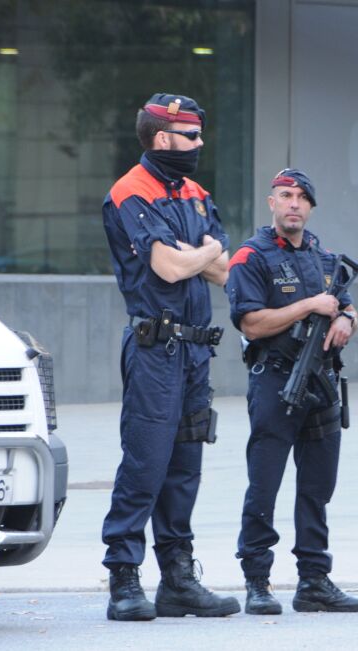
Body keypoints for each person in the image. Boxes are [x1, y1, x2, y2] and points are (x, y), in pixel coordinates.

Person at [100, 93, 239, 621]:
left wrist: (195, 256)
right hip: (155, 349)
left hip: (195, 351)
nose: (199, 145)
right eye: (191, 136)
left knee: (185, 466)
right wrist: (200, 254)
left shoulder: (194, 192)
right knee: (146, 461)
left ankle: (177, 578)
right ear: (163, 138)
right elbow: (170, 268)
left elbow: (224, 270)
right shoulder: (131, 190)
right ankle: (124, 578)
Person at [225, 168, 358, 615]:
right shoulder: (251, 256)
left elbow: (346, 305)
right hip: (276, 382)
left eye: (302, 197)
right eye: (285, 195)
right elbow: (251, 322)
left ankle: (314, 581)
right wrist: (307, 305)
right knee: (264, 483)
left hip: (321, 383)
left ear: (310, 207)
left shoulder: (323, 255)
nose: (294, 204)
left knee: (317, 488)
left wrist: (347, 319)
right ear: (272, 203)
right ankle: (257, 580)